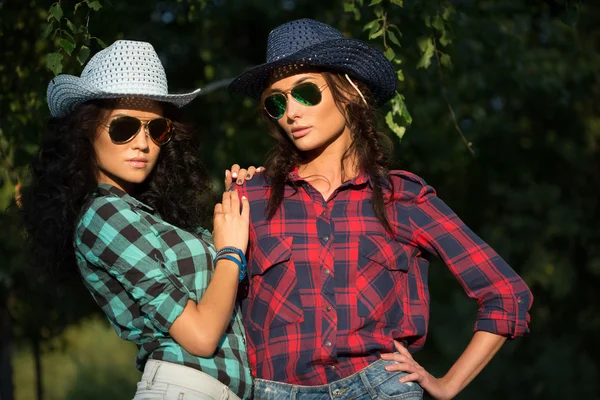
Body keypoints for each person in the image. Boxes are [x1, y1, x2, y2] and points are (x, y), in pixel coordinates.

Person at [228, 19, 533, 400]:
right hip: (274, 390)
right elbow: (216, 310)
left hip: (377, 388)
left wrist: (447, 385)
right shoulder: (250, 199)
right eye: (277, 102)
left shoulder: (402, 199)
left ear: (350, 92)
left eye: (305, 92)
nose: (291, 112)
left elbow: (507, 293)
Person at [20, 40, 254, 400]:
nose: (143, 143)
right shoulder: (104, 214)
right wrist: (230, 254)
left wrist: (241, 200)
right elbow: (202, 336)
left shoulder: (142, 215)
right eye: (123, 127)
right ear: (86, 131)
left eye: (156, 129)